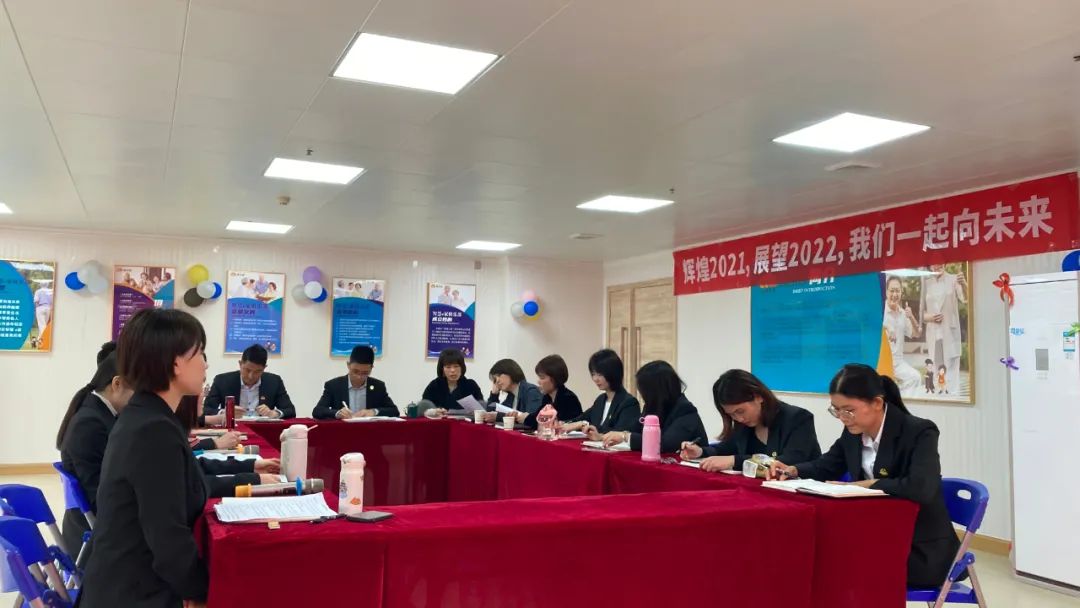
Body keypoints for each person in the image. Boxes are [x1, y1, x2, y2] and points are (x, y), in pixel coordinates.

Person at [767, 363, 960, 588]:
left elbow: (921, 487)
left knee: (835, 566)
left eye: (848, 410)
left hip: (920, 548)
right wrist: (793, 470)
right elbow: (826, 466)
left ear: (877, 403)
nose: (842, 417)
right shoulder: (853, 432)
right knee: (811, 554)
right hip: (876, 534)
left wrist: (868, 484)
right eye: (836, 410)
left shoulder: (919, 432)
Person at [77, 308, 211, 607]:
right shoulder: (153, 429)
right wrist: (201, 591)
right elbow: (167, 538)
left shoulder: (149, 416)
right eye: (200, 352)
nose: (205, 363)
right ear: (176, 362)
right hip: (134, 593)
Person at [56, 342, 133, 558]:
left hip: (89, 528)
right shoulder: (91, 424)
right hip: (90, 539)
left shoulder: (99, 413)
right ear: (117, 384)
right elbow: (100, 497)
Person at [678, 369, 820, 473]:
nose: (739, 419)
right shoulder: (744, 425)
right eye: (731, 415)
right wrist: (700, 451)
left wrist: (734, 461)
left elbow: (789, 460)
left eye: (740, 411)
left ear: (758, 396)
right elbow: (727, 447)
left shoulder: (798, 418)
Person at [602, 361, 706, 453]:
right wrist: (610, 435)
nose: (642, 395)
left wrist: (625, 436)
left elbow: (665, 444)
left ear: (656, 390)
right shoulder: (652, 406)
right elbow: (635, 429)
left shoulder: (685, 410)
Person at [204, 344, 296, 419]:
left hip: (262, 430)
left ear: (264, 368)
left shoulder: (274, 382)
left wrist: (274, 413)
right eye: (247, 370)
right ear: (240, 364)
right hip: (233, 428)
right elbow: (206, 409)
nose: (251, 376)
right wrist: (225, 412)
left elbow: (290, 410)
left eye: (257, 371)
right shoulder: (222, 381)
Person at [562, 349, 641, 435]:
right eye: (593, 374)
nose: (595, 379)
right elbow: (580, 419)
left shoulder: (629, 403)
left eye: (600, 374)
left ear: (613, 373)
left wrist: (584, 425)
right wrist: (560, 424)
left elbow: (619, 433)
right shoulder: (600, 400)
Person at [312, 345, 399, 419]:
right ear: (348, 365)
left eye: (365, 373)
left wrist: (374, 411)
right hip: (342, 431)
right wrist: (337, 413)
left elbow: (394, 411)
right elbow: (317, 411)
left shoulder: (378, 386)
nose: (359, 377)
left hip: (369, 431)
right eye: (355, 371)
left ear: (371, 368)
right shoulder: (334, 385)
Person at [922, 264, 967, 395]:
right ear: (930, 266)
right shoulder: (926, 283)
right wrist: (930, 317)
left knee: (951, 374)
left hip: (950, 332)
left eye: (940, 261)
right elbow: (920, 314)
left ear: (945, 263)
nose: (937, 265)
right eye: (934, 263)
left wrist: (964, 284)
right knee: (935, 372)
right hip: (933, 333)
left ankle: (952, 399)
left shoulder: (954, 279)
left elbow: (965, 299)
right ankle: (939, 401)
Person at [883, 275, 922, 395]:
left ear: (901, 293)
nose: (895, 294)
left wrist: (911, 317)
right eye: (892, 291)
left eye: (897, 291)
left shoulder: (903, 314)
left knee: (916, 377)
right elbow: (872, 325)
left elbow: (916, 334)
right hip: (881, 362)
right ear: (886, 291)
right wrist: (888, 328)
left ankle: (903, 402)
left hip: (898, 363)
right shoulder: (880, 310)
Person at [524, 355, 582, 429]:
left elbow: (570, 424)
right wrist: (522, 416)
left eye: (542, 377)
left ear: (555, 378)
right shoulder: (547, 397)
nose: (538, 381)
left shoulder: (569, 398)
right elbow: (536, 419)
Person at [482, 359, 542, 425]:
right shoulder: (511, 395)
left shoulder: (531, 391)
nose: (497, 381)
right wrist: (494, 394)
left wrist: (498, 417)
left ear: (510, 372)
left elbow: (532, 419)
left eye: (499, 375)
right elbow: (490, 414)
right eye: (495, 379)